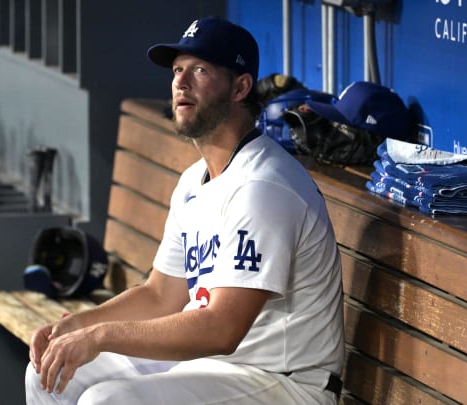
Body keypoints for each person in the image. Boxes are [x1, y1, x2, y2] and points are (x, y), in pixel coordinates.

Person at [25, 17, 344, 405]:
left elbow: (222, 329)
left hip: (283, 381)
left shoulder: (263, 188)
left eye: (200, 70)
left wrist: (100, 336)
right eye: (178, 70)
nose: (181, 82)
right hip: (214, 367)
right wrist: (76, 326)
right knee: (47, 372)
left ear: (241, 87)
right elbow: (160, 295)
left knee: (107, 401)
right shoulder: (194, 181)